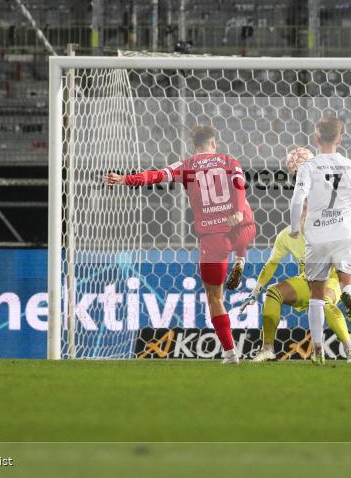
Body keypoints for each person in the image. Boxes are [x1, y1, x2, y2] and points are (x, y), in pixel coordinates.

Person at [106, 125, 256, 364]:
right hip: (242, 229)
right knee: (247, 212)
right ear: (214, 143)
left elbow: (155, 176)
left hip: (213, 239)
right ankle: (241, 256)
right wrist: (237, 213)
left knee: (215, 297)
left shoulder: (186, 165)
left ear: (193, 146)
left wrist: (126, 179)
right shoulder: (230, 160)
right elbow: (239, 186)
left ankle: (230, 353)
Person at [289, 118, 351, 364]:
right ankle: (349, 299)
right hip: (344, 233)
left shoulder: (308, 167)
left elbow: (298, 200)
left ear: (317, 139)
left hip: (317, 235)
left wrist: (294, 229)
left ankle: (318, 350)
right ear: (340, 138)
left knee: (316, 296)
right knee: (348, 280)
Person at [250, 224, 351, 363]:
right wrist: (255, 291)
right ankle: (267, 350)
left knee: (325, 302)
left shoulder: (330, 234)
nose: (305, 212)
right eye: (302, 208)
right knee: (273, 292)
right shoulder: (287, 235)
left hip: (332, 278)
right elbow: (272, 262)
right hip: (307, 279)